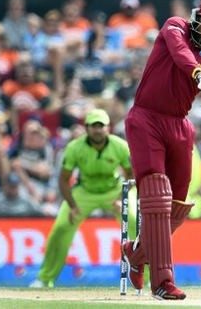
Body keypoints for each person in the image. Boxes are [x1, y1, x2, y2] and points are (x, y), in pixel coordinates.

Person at [122, 0, 201, 300]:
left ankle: (137, 253)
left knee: (178, 206)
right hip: (146, 118)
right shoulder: (175, 26)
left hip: (180, 127)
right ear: (196, 19)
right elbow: (180, 54)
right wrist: (199, 76)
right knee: (157, 195)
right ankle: (163, 282)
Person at [29, 108, 135, 288]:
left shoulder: (120, 146)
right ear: (86, 128)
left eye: (101, 126)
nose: (98, 130)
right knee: (61, 228)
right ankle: (45, 278)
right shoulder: (74, 147)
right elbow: (63, 180)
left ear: (108, 128)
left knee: (134, 222)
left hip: (114, 190)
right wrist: (72, 206)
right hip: (84, 191)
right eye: (94, 126)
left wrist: (120, 198)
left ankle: (147, 280)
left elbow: (132, 175)